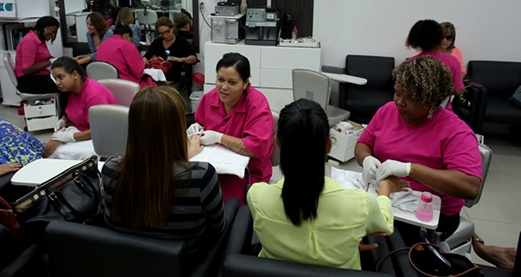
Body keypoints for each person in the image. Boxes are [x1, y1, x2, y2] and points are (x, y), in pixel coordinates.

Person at [247, 99, 401, 270]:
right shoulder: (360, 205)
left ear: (277, 142)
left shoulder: (257, 196)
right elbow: (385, 225)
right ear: (328, 145)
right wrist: (385, 188)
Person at [355, 56, 483, 245]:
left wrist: (410, 169)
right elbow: (362, 144)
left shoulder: (456, 132)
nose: (400, 102)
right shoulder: (387, 111)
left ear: (432, 101)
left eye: (411, 98)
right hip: (385, 197)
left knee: (386, 246)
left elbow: (470, 187)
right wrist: (366, 158)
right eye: (398, 92)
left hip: (428, 217)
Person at [101, 86, 225, 259]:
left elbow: (108, 219)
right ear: (176, 128)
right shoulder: (201, 175)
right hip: (185, 263)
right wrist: (184, 161)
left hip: (126, 261)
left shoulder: (110, 169)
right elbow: (217, 229)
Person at [193, 53, 274, 204]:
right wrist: (195, 130)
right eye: (220, 79)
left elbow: (257, 148)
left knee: (220, 204)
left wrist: (219, 138)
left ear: (245, 83)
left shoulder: (256, 104)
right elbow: (200, 123)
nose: (224, 87)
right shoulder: (210, 98)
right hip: (211, 168)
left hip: (245, 174)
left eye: (232, 82)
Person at [45, 57, 117, 157]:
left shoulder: (94, 95)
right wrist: (63, 119)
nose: (57, 82)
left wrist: (71, 137)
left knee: (60, 152)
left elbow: (100, 130)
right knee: (48, 149)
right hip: (81, 129)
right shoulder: (69, 90)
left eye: (60, 77)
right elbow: (73, 107)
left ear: (75, 74)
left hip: (102, 136)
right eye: (55, 78)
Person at [406, 19, 464, 95]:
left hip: (414, 104)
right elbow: (458, 90)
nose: (445, 40)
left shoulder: (408, 63)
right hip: (441, 105)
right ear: (438, 37)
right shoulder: (453, 61)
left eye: (448, 37)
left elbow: (402, 91)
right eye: (443, 37)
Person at [143, 17, 197, 86]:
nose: (165, 35)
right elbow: (146, 57)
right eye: (161, 33)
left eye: (167, 31)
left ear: (172, 28)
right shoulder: (157, 43)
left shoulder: (182, 42)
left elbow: (193, 58)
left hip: (173, 76)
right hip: (157, 76)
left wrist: (179, 59)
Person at [14, 16, 59, 94]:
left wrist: (62, 61)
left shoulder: (40, 39)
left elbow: (46, 57)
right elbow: (27, 70)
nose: (52, 35)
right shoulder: (30, 41)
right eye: (52, 31)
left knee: (67, 79)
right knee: (66, 84)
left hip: (38, 76)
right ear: (44, 27)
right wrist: (50, 62)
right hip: (28, 81)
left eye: (54, 33)